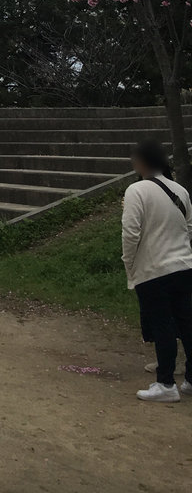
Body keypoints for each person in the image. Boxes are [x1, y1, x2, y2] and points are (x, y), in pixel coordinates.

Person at [122, 137, 192, 401]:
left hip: (153, 269)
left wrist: (129, 263)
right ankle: (190, 379)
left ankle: (165, 383)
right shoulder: (180, 190)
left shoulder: (136, 191)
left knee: (162, 326)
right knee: (186, 323)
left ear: (141, 162)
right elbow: (189, 228)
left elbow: (130, 233)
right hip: (184, 266)